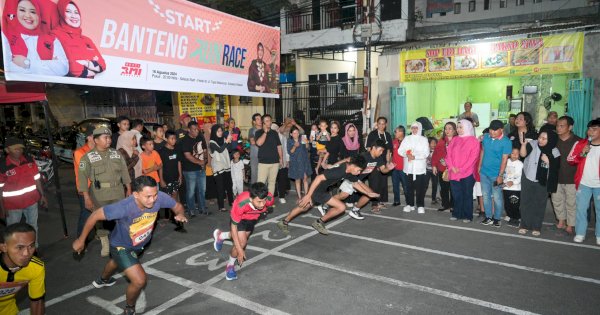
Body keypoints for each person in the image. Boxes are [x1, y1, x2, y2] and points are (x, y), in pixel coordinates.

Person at [72, 176, 187, 315]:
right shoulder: (123, 207)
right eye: (148, 196)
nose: (153, 200)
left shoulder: (159, 197)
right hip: (121, 246)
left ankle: (103, 279)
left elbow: (177, 206)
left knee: (115, 261)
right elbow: (95, 215)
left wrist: (180, 214)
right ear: (136, 194)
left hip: (139, 244)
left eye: (155, 195)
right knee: (139, 280)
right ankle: (129, 308)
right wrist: (81, 240)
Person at [277, 155, 372, 235]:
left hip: (321, 190)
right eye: (359, 170)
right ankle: (318, 222)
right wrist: (308, 195)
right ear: (353, 166)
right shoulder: (340, 170)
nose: (359, 173)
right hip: (317, 189)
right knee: (341, 207)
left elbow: (355, 183)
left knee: (304, 207)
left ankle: (284, 222)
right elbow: (318, 178)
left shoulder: (348, 170)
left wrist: (368, 193)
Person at [78, 127, 132, 257]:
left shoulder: (116, 154)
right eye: (105, 138)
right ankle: (104, 242)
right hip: (99, 193)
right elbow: (82, 179)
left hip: (118, 191)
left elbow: (124, 172)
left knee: (121, 217)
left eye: (109, 137)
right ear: (96, 140)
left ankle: (122, 242)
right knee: (100, 219)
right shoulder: (88, 157)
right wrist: (86, 197)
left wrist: (129, 189)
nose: (109, 140)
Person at [212, 183, 274, 280]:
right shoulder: (241, 204)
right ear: (250, 199)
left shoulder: (269, 199)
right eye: (259, 202)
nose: (262, 204)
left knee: (241, 240)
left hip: (253, 218)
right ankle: (230, 266)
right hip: (240, 218)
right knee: (241, 243)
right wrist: (240, 250)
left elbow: (265, 204)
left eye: (264, 201)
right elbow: (234, 228)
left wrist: (263, 208)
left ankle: (221, 236)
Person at [0, 137, 47, 248]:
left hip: (31, 201)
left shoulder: (29, 160)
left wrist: (43, 195)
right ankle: (14, 252)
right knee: (13, 231)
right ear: (7, 150)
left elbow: (36, 179)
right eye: (15, 149)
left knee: (33, 226)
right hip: (12, 206)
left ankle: (33, 248)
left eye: (20, 148)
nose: (19, 151)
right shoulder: (2, 166)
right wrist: (2, 208)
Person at [1, 0, 68, 76]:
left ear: (39, 15)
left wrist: (27, 63)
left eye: (33, 12)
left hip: (45, 87)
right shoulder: (6, 35)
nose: (27, 15)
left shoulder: (52, 39)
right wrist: (50, 66)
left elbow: (63, 68)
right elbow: (8, 68)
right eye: (22, 10)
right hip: (15, 86)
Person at [518, 127, 560, 236]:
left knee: (539, 204)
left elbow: (556, 168)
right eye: (540, 137)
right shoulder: (533, 143)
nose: (541, 140)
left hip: (543, 180)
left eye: (544, 138)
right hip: (528, 176)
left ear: (550, 140)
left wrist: (548, 161)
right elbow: (523, 155)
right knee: (525, 202)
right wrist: (523, 144)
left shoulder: (554, 150)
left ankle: (536, 226)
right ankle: (524, 225)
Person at [0, 223, 45, 315]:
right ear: (4, 247)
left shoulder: (36, 268)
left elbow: (37, 302)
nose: (26, 253)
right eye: (20, 247)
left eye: (31, 246)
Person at [52, 0, 105, 78]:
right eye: (68, 11)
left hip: (89, 87)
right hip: (63, 87)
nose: (74, 16)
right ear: (61, 14)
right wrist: (90, 70)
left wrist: (86, 63)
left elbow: (102, 65)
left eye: (76, 12)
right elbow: (70, 68)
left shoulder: (87, 40)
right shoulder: (55, 35)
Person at [568, 118, 600, 244]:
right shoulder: (581, 144)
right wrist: (582, 153)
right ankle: (580, 233)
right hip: (583, 183)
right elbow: (570, 160)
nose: (590, 132)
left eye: (594, 129)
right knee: (581, 209)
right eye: (589, 129)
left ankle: (599, 235)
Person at [445, 119, 481, 222]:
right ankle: (457, 213)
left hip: (467, 173)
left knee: (467, 194)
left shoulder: (474, 141)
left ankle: (467, 215)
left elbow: (473, 158)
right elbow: (448, 155)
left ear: (467, 128)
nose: (458, 129)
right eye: (458, 127)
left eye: (461, 127)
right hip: (454, 172)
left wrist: (461, 169)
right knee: (456, 194)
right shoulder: (455, 139)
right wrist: (452, 167)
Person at [479, 120, 512, 227]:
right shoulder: (486, 138)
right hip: (484, 172)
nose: (492, 132)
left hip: (496, 174)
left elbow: (504, 159)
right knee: (485, 196)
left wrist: (500, 175)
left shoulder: (506, 142)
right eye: (491, 129)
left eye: (495, 130)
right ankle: (488, 217)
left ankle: (497, 218)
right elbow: (483, 151)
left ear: (501, 130)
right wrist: (479, 166)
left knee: (497, 197)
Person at [551, 116, 580, 234]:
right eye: (557, 125)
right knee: (557, 200)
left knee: (571, 202)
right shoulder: (553, 140)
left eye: (562, 125)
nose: (558, 128)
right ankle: (561, 221)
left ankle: (570, 224)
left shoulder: (578, 141)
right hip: (556, 177)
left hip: (572, 178)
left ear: (570, 127)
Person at [399, 122, 429, 214]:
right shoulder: (406, 139)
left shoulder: (424, 140)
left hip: (419, 169)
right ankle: (410, 204)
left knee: (420, 188)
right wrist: (406, 154)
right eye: (413, 128)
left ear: (419, 128)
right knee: (408, 188)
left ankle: (420, 205)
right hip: (408, 168)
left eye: (416, 128)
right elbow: (400, 150)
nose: (414, 130)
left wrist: (415, 156)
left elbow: (426, 153)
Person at [158, 131, 184, 231]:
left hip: (175, 177)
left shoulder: (177, 149)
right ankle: (166, 217)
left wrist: (180, 176)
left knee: (174, 196)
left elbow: (179, 163)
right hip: (166, 178)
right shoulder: (162, 151)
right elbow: (160, 167)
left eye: (174, 138)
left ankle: (175, 216)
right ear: (166, 139)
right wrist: (161, 180)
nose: (173, 140)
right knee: (166, 198)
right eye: (171, 138)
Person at [180, 121, 207, 216]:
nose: (196, 131)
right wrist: (201, 162)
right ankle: (191, 210)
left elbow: (204, 150)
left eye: (197, 129)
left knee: (202, 190)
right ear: (188, 130)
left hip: (201, 168)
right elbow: (188, 156)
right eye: (194, 129)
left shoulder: (200, 137)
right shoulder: (185, 140)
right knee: (191, 191)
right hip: (190, 170)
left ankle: (202, 208)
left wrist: (205, 161)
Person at [366, 117, 394, 208]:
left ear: (385, 125)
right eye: (379, 123)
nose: (381, 125)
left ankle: (381, 201)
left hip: (383, 162)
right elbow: (369, 149)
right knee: (374, 183)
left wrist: (388, 162)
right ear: (377, 124)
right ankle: (374, 204)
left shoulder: (388, 135)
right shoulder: (372, 134)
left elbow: (389, 151)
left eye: (383, 124)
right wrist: (374, 163)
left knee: (383, 183)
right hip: (374, 163)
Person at [255, 114, 283, 198]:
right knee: (261, 183)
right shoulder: (258, 132)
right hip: (263, 162)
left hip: (275, 162)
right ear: (263, 122)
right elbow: (259, 143)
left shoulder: (274, 133)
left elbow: (279, 146)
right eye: (267, 121)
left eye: (270, 120)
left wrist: (281, 158)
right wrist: (265, 132)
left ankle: (269, 201)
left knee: (272, 182)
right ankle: (260, 201)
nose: (269, 122)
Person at [73, 125, 94, 238]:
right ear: (89, 137)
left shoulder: (97, 151)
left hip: (96, 188)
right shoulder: (80, 152)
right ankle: (80, 240)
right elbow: (88, 170)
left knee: (95, 213)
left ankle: (92, 234)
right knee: (86, 214)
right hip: (85, 189)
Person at [209, 124, 234, 212]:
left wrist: (230, 141)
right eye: (218, 131)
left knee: (229, 184)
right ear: (214, 132)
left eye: (221, 131)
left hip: (226, 165)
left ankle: (232, 202)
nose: (220, 133)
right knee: (220, 187)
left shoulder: (224, 139)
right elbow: (220, 150)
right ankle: (221, 206)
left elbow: (230, 149)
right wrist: (227, 141)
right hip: (218, 167)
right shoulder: (212, 142)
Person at [432, 122, 457, 211]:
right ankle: (445, 204)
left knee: (453, 188)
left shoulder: (458, 140)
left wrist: (448, 162)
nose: (447, 130)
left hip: (454, 169)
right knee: (444, 188)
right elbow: (435, 154)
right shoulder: (441, 141)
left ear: (454, 130)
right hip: (442, 169)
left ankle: (453, 205)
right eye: (446, 128)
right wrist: (434, 165)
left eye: (450, 128)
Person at [288, 127, 312, 200]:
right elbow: (290, 152)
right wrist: (295, 146)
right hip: (295, 162)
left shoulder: (302, 138)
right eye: (294, 133)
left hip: (304, 161)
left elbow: (308, 148)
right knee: (297, 179)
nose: (296, 134)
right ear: (291, 134)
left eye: (297, 133)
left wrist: (307, 142)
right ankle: (299, 196)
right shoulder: (289, 141)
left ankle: (306, 195)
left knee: (305, 179)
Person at [503, 148, 523, 228]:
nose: (514, 155)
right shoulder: (506, 162)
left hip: (515, 188)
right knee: (507, 204)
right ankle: (510, 215)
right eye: (512, 153)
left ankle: (516, 218)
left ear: (519, 155)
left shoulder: (520, 164)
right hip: (506, 188)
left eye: (517, 153)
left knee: (514, 204)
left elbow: (520, 176)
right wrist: (504, 182)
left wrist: (513, 182)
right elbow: (504, 173)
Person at [391, 125, 407, 207]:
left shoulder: (407, 141)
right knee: (395, 185)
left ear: (401, 132)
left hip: (404, 168)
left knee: (405, 185)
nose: (395, 133)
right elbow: (390, 153)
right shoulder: (393, 142)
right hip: (394, 168)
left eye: (396, 132)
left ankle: (408, 202)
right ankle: (397, 200)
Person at [248, 113, 262, 184]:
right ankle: (253, 192)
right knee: (254, 174)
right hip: (254, 155)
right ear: (254, 121)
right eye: (257, 119)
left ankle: (264, 192)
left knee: (263, 174)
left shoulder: (265, 129)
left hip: (264, 155)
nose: (260, 120)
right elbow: (252, 141)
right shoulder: (251, 130)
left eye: (260, 118)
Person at [426, 137, 439, 205]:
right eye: (432, 143)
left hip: (435, 171)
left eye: (435, 143)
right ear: (428, 144)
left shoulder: (437, 151)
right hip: (427, 170)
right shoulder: (425, 150)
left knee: (435, 185)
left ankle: (433, 199)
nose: (434, 145)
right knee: (425, 185)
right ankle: (421, 197)